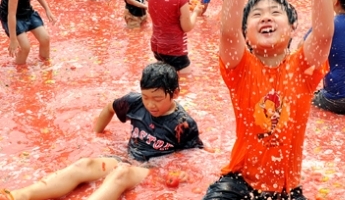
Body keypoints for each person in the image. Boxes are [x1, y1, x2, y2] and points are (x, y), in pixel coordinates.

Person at [201, 0, 339, 199]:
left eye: (276, 12)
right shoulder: (240, 67)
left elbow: (325, 34)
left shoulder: (303, 67)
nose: (267, 17)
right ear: (246, 35)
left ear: (291, 30)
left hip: (288, 188)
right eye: (257, 15)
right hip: (239, 183)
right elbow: (228, 33)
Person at [0, 62, 203, 200]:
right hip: (130, 157)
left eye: (157, 99)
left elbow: (192, 156)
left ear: (175, 93)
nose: (150, 104)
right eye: (146, 97)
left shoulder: (183, 124)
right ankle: (19, 195)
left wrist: (179, 174)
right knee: (84, 164)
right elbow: (109, 108)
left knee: (121, 173)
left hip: (153, 170)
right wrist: (96, 133)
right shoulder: (134, 102)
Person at [148, 0, 203, 74]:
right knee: (186, 80)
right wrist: (196, 12)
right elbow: (187, 27)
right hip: (175, 51)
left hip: (157, 48)